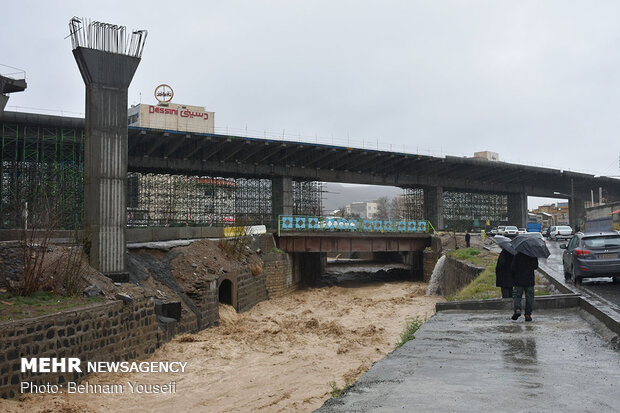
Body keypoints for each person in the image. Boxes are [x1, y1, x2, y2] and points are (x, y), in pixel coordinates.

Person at [510, 252, 539, 322]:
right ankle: (527, 315)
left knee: (517, 296)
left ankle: (517, 309)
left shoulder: (517, 256)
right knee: (529, 297)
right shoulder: (533, 255)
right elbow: (536, 266)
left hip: (518, 280)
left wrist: (513, 277)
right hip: (529, 281)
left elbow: (512, 268)